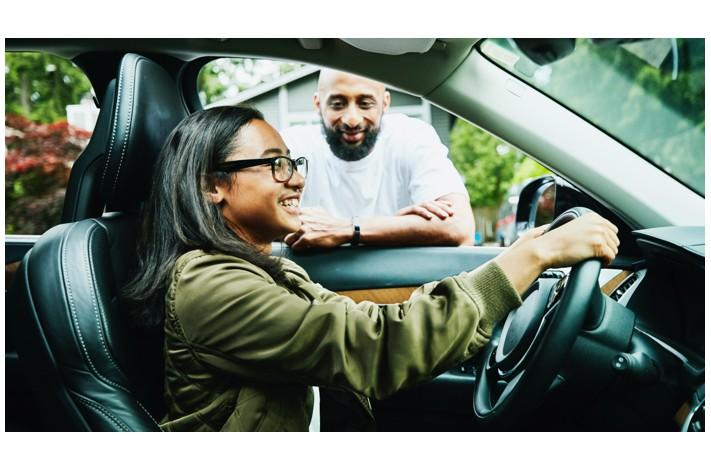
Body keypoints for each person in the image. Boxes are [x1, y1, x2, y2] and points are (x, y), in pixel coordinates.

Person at [124, 106, 620, 432]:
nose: (296, 178)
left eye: (293, 162)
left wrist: (513, 267)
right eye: (276, 164)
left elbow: (354, 322)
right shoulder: (211, 283)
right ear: (214, 185)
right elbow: (373, 346)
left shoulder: (261, 268)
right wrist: (528, 258)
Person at [280, 69, 476, 250]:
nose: (352, 120)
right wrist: (402, 226)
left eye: (365, 104)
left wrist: (346, 229)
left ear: (384, 103)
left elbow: (460, 227)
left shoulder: (412, 136)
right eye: (338, 104)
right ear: (318, 104)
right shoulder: (292, 145)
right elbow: (254, 224)